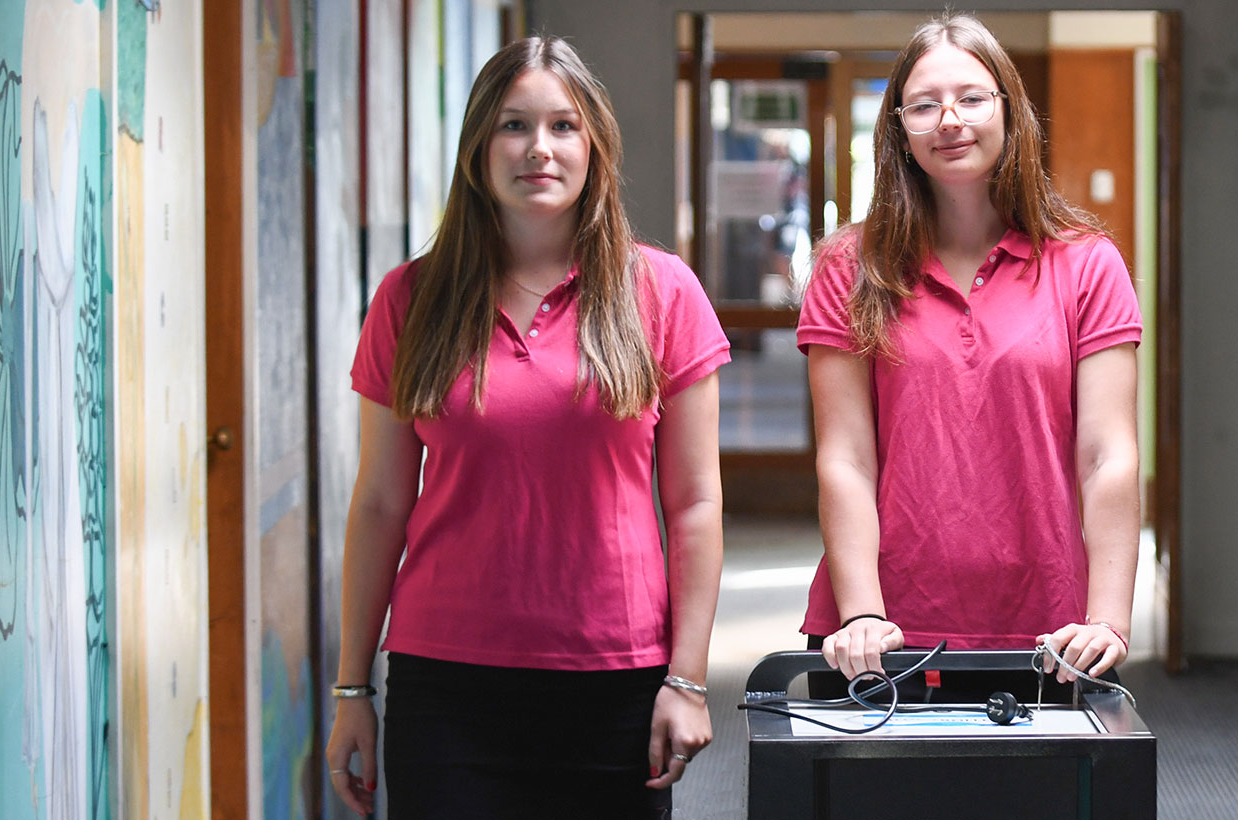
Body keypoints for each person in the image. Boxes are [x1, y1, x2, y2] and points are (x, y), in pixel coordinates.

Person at [323, 36, 729, 819]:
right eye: (513, 125)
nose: (537, 148)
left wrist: (687, 677)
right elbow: (379, 503)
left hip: (615, 681)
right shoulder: (411, 298)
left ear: (594, 146)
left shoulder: (661, 293)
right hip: (445, 685)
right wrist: (351, 689)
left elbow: (695, 506)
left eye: (563, 127)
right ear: (479, 146)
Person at [798, 14, 1143, 699]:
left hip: (1051, 632)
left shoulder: (1086, 263)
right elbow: (845, 458)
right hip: (878, 636)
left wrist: (1109, 618)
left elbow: (1109, 454)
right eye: (924, 105)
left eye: (972, 98)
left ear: (1010, 113)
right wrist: (863, 611)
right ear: (898, 128)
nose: (949, 120)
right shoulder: (849, 266)